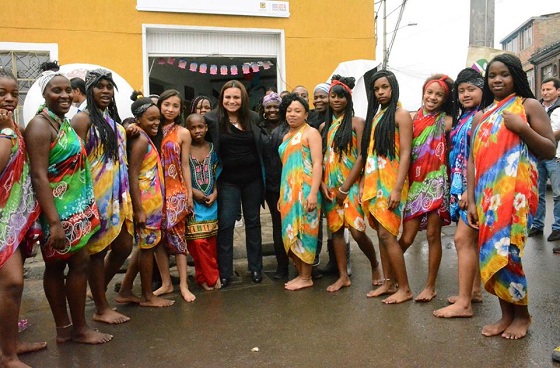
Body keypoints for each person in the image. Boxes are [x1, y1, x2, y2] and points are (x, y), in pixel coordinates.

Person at [467, 53, 556, 339]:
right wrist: (470, 200)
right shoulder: (482, 115)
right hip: (486, 197)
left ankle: (523, 315)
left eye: (503, 74)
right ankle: (506, 315)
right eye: (492, 75)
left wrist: (522, 128)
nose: (497, 80)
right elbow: (472, 161)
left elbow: (549, 149)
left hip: (517, 195)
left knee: (510, 254)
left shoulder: (528, 106)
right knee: (490, 256)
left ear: (516, 76)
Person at [25, 71, 112, 344]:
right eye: (56, 91)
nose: (64, 96)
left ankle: (67, 330)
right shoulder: (40, 126)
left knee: (70, 265)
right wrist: (53, 222)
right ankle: (76, 329)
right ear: (44, 94)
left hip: (74, 208)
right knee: (70, 265)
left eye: (67, 91)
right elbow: (39, 176)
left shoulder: (60, 123)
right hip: (59, 212)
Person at [71, 69, 134, 325]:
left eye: (109, 87)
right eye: (100, 87)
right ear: (89, 90)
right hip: (94, 196)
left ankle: (96, 291)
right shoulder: (82, 120)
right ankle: (101, 307)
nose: (106, 91)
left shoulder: (113, 122)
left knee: (124, 246)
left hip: (117, 196)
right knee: (96, 253)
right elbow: (75, 164)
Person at [0, 67, 46, 368]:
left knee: (10, 286)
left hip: (13, 218)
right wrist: (5, 133)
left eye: (14, 94)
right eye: (1, 94)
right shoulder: (6, 131)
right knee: (13, 283)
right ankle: (7, 356)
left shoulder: (12, 127)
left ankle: (10, 345)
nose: (9, 99)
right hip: (3, 219)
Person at [320, 75, 381, 292]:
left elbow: (362, 156)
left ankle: (375, 265)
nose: (336, 100)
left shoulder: (357, 123)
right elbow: (320, 159)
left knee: (356, 231)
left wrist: (346, 188)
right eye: (333, 96)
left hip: (351, 185)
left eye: (341, 96)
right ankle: (343, 275)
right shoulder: (323, 127)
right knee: (336, 231)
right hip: (330, 188)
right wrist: (323, 185)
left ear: (349, 99)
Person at [203, 80, 265, 287]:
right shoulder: (211, 119)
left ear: (243, 98)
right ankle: (225, 272)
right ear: (221, 98)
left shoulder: (254, 118)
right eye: (228, 97)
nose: (232, 101)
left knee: (254, 223)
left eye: (236, 97)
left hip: (252, 179)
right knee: (226, 224)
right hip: (227, 181)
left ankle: (256, 268)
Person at [359, 70, 413, 303]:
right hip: (374, 183)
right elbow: (370, 154)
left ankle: (405, 288)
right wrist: (363, 182)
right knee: (381, 234)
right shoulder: (376, 117)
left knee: (387, 234)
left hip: (391, 183)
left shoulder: (401, 115)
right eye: (376, 89)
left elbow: (406, 153)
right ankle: (389, 283)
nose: (380, 92)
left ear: (393, 88)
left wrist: (397, 188)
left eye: (384, 87)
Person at [399, 74, 453, 302]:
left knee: (433, 236)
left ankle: (430, 286)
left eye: (439, 94)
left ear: (444, 99)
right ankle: (392, 278)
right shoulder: (410, 119)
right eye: (429, 92)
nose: (432, 97)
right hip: (414, 184)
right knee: (407, 237)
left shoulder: (447, 121)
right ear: (423, 92)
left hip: (436, 183)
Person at [116, 93, 174, 308]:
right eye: (151, 119)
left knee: (144, 247)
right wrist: (139, 209)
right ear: (138, 120)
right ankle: (149, 295)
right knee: (147, 249)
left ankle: (125, 290)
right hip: (145, 206)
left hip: (153, 205)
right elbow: (133, 175)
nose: (156, 123)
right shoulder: (140, 140)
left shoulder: (144, 136)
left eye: (158, 119)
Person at [434, 68, 483, 318]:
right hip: (462, 185)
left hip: (472, 188)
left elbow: (478, 157)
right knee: (471, 241)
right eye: (461, 90)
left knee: (462, 240)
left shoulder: (481, 116)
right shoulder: (465, 116)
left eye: (471, 89)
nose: (465, 94)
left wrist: (468, 192)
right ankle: (474, 291)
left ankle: (464, 303)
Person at [151, 89, 195, 302]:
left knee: (178, 239)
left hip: (175, 191)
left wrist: (188, 193)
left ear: (180, 109)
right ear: (159, 104)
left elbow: (185, 164)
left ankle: (184, 285)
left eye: (175, 106)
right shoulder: (150, 127)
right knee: (158, 239)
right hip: (152, 190)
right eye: (166, 104)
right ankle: (166, 283)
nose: (170, 109)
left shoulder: (183, 133)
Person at [278, 93, 322, 290]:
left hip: (306, 191)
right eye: (289, 111)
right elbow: (285, 167)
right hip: (288, 193)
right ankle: (300, 274)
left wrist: (313, 192)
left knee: (306, 233)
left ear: (306, 114)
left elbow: (318, 163)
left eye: (297, 111)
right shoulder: (286, 136)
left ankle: (306, 277)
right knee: (290, 233)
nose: (292, 114)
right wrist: (281, 196)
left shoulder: (311, 133)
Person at [185, 113, 222, 290]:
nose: (197, 130)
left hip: (211, 202)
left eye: (200, 127)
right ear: (187, 130)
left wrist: (215, 193)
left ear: (206, 128)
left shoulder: (214, 148)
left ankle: (202, 277)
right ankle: (212, 277)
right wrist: (192, 193)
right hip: (193, 203)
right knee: (198, 243)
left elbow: (219, 175)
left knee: (211, 244)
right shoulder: (184, 149)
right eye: (193, 127)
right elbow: (178, 175)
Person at [259, 92, 290, 280]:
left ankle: (304, 264)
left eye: (275, 106)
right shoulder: (259, 128)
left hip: (288, 182)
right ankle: (282, 267)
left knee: (292, 224)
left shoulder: (288, 127)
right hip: (270, 186)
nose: (272, 110)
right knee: (278, 226)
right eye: (268, 107)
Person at [528, 77, 560, 245]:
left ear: (558, 91)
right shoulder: (536, 107)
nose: (545, 93)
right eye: (543, 90)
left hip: (556, 157)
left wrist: (538, 137)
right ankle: (537, 225)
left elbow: (556, 133)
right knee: (537, 194)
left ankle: (558, 227)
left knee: (558, 194)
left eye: (549, 89)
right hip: (538, 157)